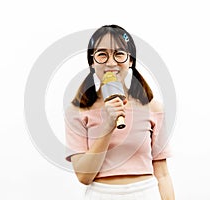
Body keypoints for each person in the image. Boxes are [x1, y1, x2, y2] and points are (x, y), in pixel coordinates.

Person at [64, 25, 175, 200]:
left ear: (130, 60)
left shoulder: (153, 108)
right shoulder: (76, 111)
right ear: (92, 62)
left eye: (119, 54)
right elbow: (84, 177)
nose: (110, 62)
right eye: (102, 54)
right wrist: (108, 125)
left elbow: (162, 174)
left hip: (146, 193)